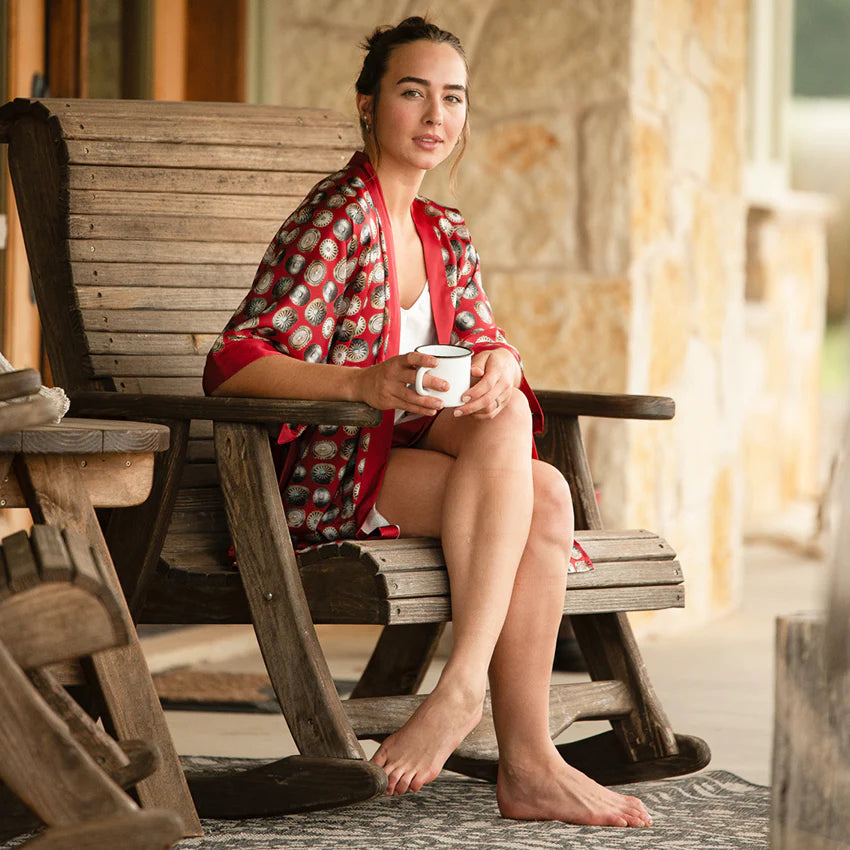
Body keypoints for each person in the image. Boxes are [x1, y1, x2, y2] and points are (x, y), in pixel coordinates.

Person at [203, 16, 651, 829]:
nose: (435, 114)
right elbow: (236, 363)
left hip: (404, 466)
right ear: (370, 107)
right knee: (536, 487)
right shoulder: (335, 219)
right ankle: (479, 707)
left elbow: (484, 338)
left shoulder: (445, 232)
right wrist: (363, 381)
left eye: (453, 97)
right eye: (413, 92)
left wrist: (502, 364)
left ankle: (518, 751)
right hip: (326, 482)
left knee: (534, 470)